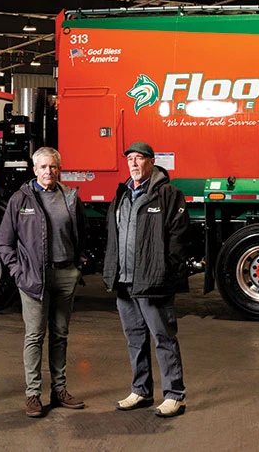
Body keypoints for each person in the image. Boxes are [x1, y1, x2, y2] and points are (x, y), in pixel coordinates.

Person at [0, 147, 88, 418]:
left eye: (53, 167)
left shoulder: (70, 198)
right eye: (43, 167)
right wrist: (17, 271)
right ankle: (33, 395)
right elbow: (4, 242)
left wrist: (78, 265)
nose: (48, 171)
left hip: (64, 275)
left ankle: (59, 390)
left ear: (59, 169)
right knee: (35, 336)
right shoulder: (20, 199)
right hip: (34, 278)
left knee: (60, 336)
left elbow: (82, 235)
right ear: (34, 170)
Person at [103, 141, 191, 418]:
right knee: (135, 338)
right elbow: (113, 235)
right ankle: (141, 390)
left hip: (152, 280)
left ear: (151, 162)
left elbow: (179, 236)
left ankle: (174, 395)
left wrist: (165, 269)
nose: (134, 163)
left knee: (163, 337)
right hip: (125, 280)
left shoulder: (168, 194)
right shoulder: (122, 194)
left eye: (139, 158)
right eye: (130, 159)